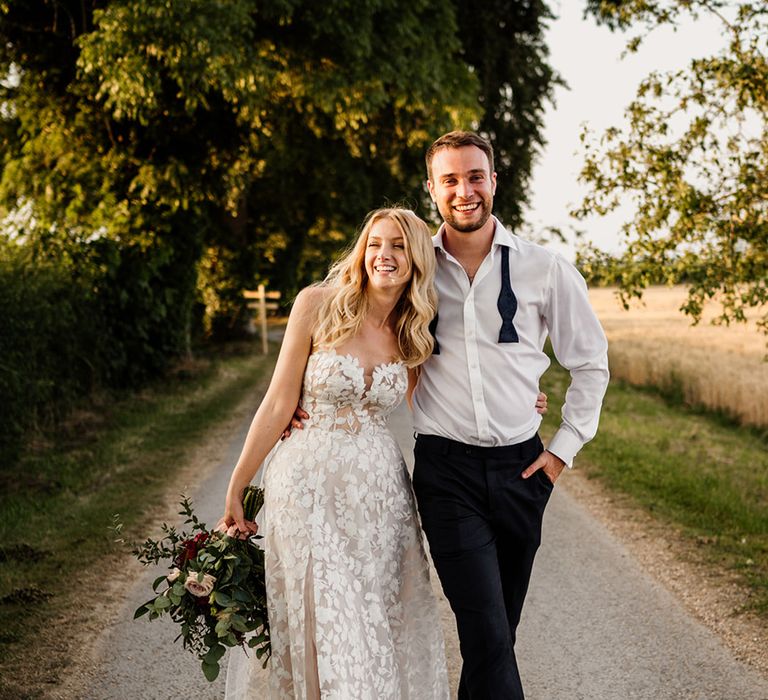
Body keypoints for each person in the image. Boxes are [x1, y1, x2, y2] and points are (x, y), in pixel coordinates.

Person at [219, 207, 450, 699]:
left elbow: (443, 401)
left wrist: (523, 399)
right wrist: (239, 481)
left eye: (398, 246)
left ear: (418, 259)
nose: (383, 256)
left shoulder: (413, 332)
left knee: (375, 615)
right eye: (374, 244)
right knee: (321, 613)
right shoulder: (317, 305)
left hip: (381, 498)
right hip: (306, 487)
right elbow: (280, 400)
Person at [411, 130, 610, 699]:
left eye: (475, 177)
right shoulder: (413, 268)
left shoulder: (545, 269)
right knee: (488, 636)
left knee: (495, 638)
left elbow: (590, 364)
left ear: (494, 181)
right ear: (432, 189)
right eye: (450, 179)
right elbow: (356, 327)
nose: (464, 191)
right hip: (446, 474)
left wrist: (560, 452)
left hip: (524, 472)